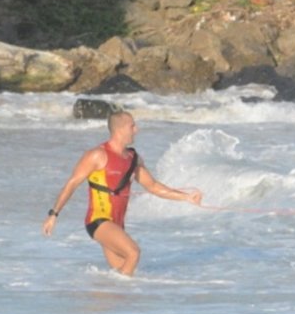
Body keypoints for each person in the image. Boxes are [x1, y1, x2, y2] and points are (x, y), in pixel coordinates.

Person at [42, 109, 202, 276]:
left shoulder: (133, 158)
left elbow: (153, 186)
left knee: (121, 272)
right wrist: (54, 214)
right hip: (98, 221)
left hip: (117, 224)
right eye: (132, 126)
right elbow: (72, 183)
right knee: (133, 253)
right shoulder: (97, 155)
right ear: (120, 129)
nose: (136, 130)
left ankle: (110, 298)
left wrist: (186, 197)